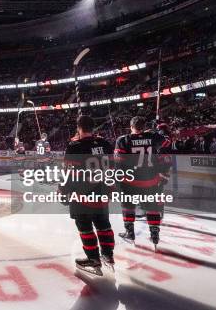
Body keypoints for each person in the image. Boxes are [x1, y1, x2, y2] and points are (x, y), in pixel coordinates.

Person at [62, 115, 115, 276]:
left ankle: (93, 259)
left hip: (82, 196)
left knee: (85, 227)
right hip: (103, 193)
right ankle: (108, 255)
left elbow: (68, 174)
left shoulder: (74, 147)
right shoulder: (106, 144)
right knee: (103, 224)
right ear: (94, 128)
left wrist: (63, 192)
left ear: (78, 128)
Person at [115, 116, 171, 249]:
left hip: (131, 181)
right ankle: (154, 234)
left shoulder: (123, 140)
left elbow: (119, 164)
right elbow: (167, 142)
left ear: (131, 126)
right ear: (145, 126)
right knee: (152, 207)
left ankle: (130, 232)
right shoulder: (153, 136)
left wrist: (118, 181)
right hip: (150, 180)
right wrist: (158, 132)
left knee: (128, 206)